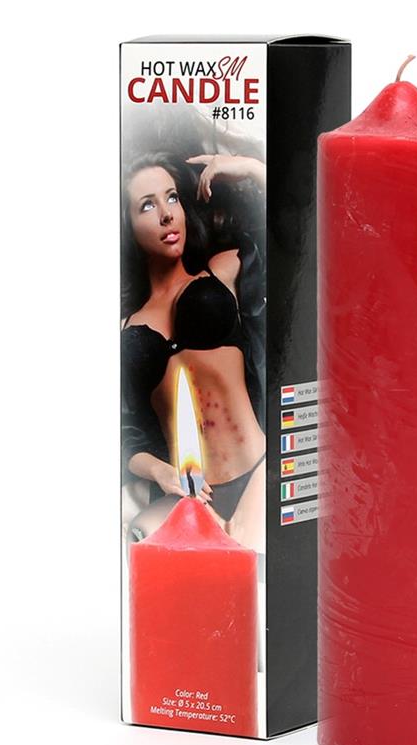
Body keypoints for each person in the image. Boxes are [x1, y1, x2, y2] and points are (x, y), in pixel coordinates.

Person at [121, 152, 266, 551]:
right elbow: (125, 433)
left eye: (172, 198)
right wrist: (160, 472)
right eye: (147, 205)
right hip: (188, 492)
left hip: (258, 470)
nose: (167, 214)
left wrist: (249, 168)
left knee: (243, 551)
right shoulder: (123, 329)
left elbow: (300, 236)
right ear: (126, 226)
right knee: (138, 537)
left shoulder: (223, 269)